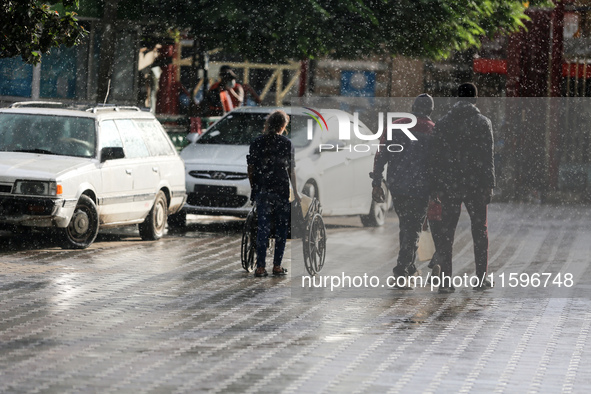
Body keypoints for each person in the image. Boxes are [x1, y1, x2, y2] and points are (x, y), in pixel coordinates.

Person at [430, 83, 495, 293]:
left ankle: (446, 281)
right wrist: (488, 185)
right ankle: (481, 278)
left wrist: (437, 185)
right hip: (476, 185)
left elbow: (436, 158)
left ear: (456, 99)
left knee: (446, 232)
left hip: (450, 185)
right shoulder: (483, 123)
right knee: (480, 231)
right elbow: (488, 158)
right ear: (475, 99)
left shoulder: (443, 123)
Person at [370, 94, 437, 288]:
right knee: (414, 228)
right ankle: (401, 272)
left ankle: (408, 268)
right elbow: (437, 163)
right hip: (421, 188)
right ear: (430, 111)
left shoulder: (395, 126)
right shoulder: (433, 130)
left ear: (413, 106)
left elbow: (380, 155)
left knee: (407, 226)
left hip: (397, 186)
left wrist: (376, 182)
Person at [247, 110, 300, 277]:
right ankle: (277, 265)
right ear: (284, 126)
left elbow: (251, 169)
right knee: (281, 229)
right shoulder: (286, 143)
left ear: (268, 124)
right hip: (281, 190)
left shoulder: (257, 142)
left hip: (263, 190)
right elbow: (291, 170)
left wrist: (254, 187)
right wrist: (296, 193)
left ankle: (260, 267)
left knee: (262, 228)